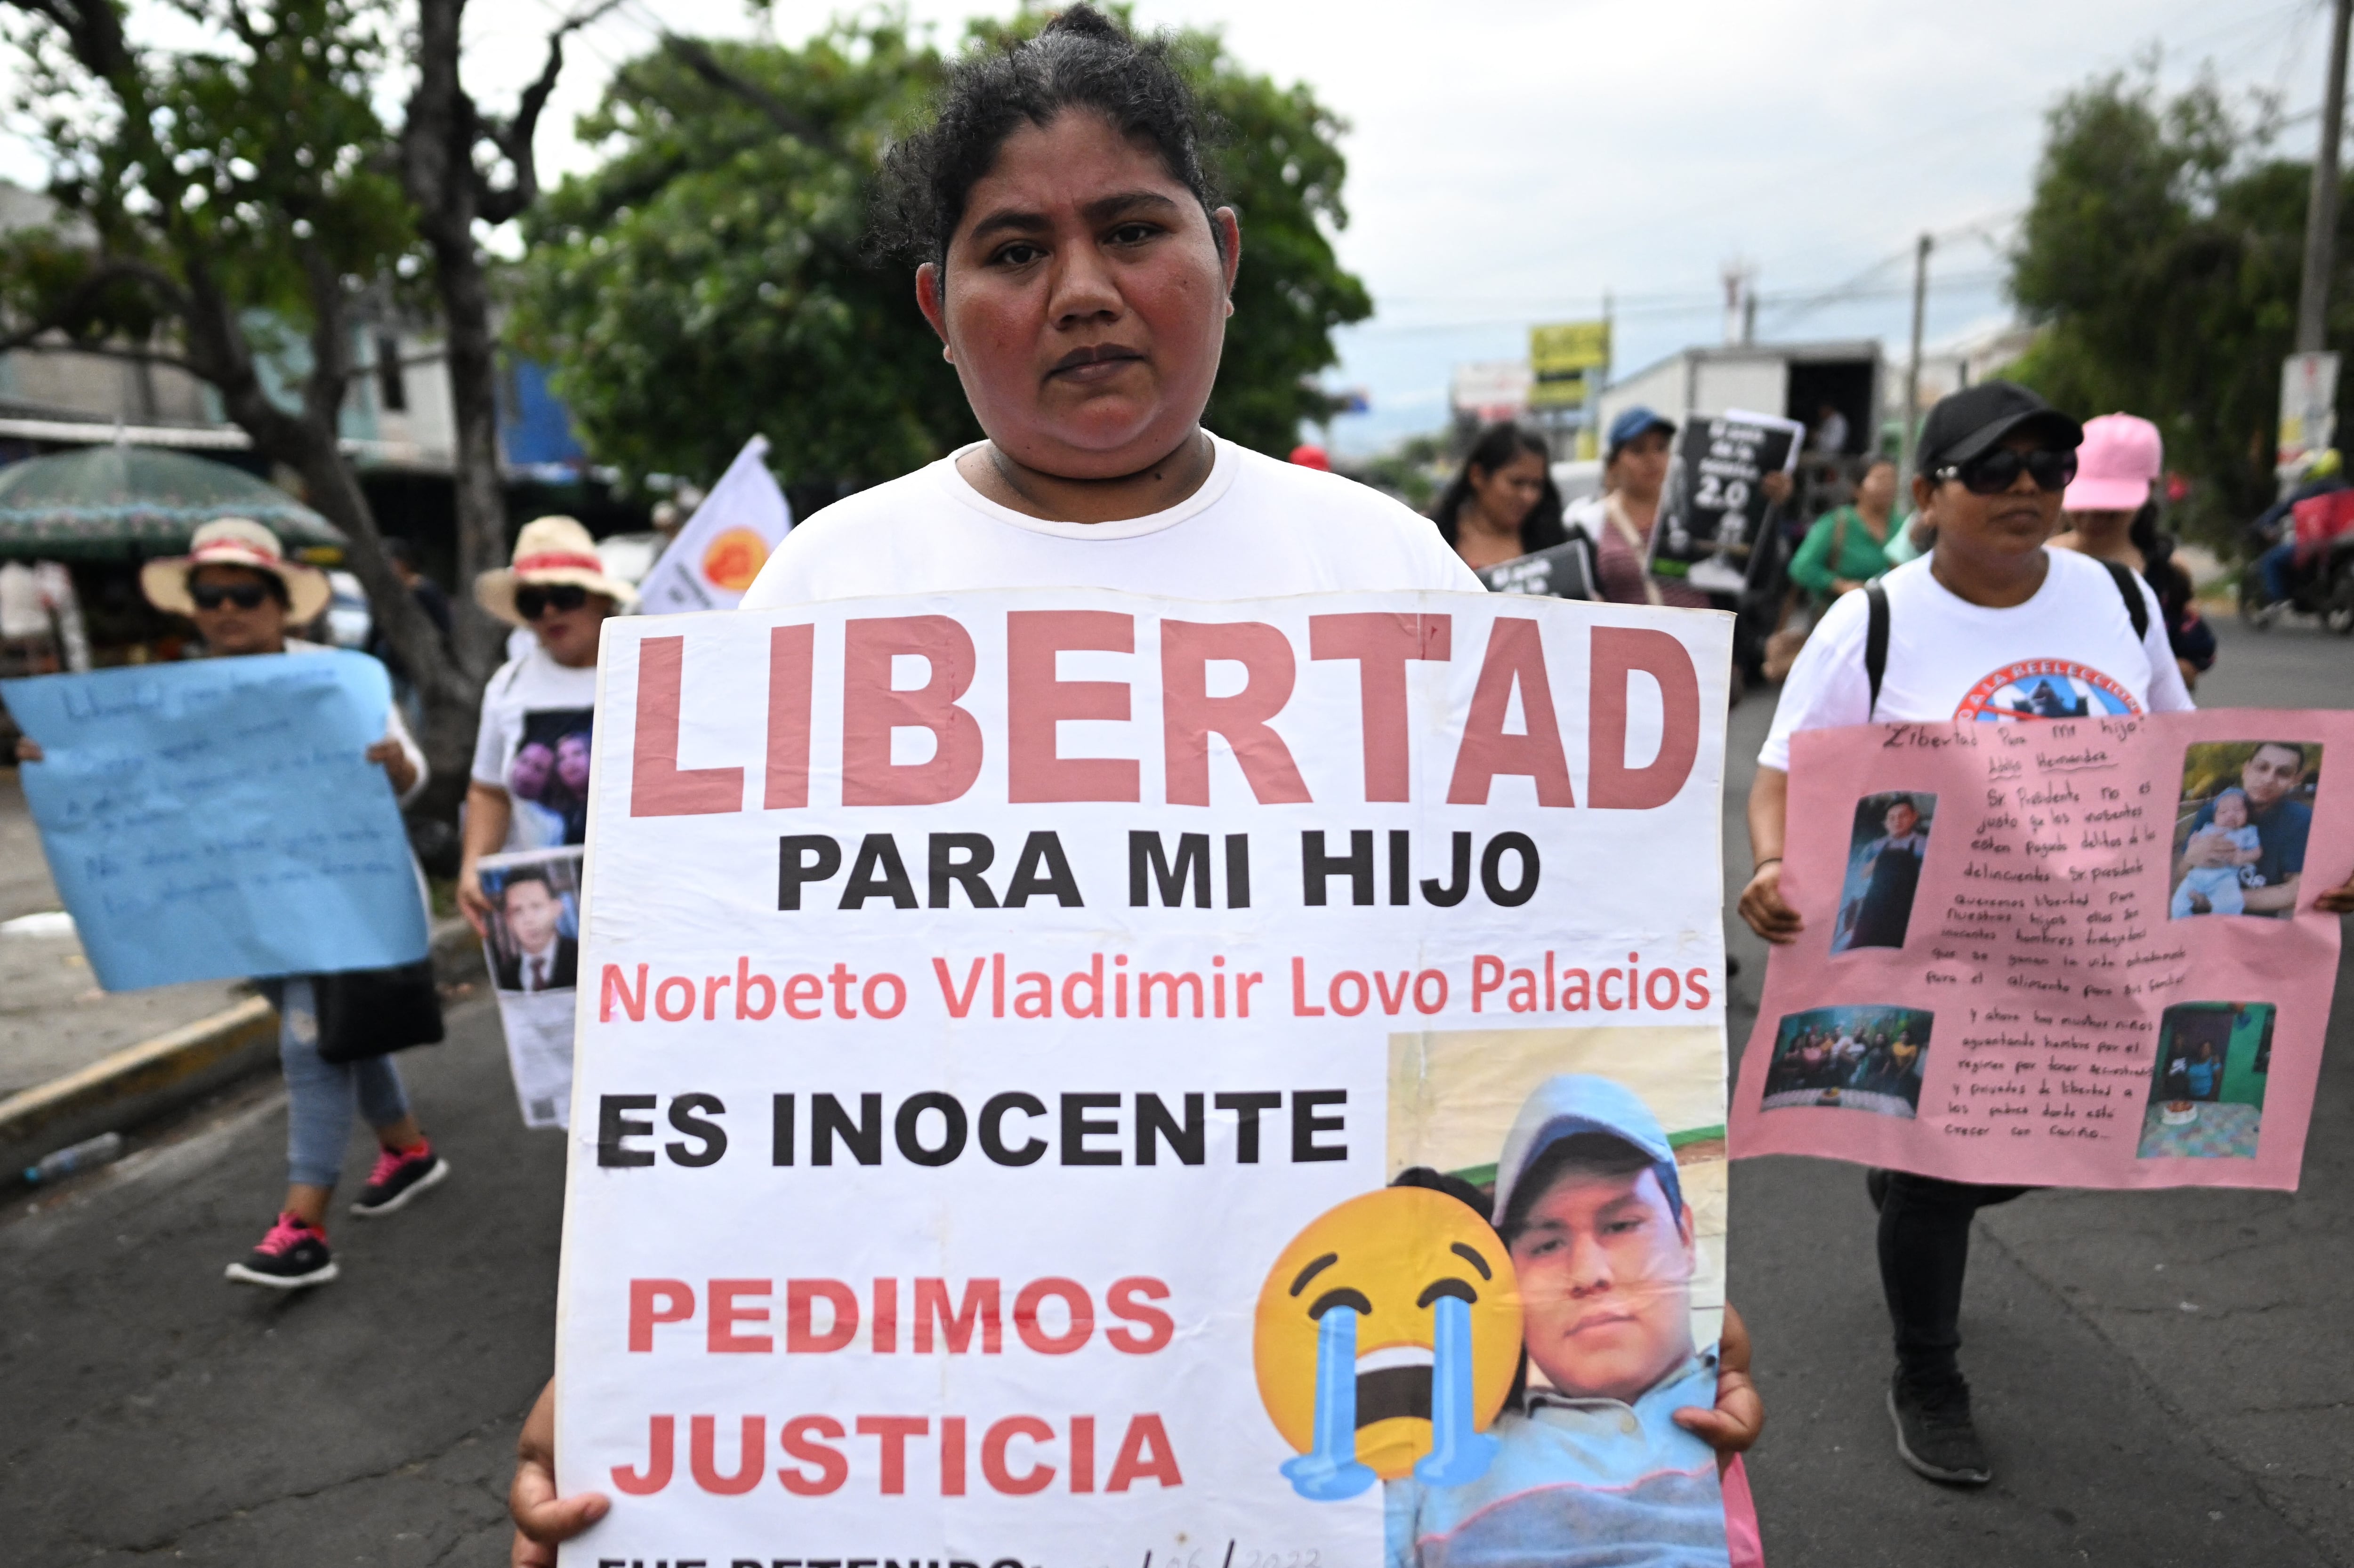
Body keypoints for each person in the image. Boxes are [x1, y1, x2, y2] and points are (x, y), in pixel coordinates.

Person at [508, 10, 1764, 1561]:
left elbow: (1536, 991)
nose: (1084, 290)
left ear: (1223, 254)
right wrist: (631, 1375)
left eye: (1133, 230)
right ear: (937, 303)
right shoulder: (832, 586)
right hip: (941, 1376)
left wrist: (1662, 1321)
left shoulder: (1380, 567)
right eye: (1016, 248)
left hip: (1302, 1402)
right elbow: (726, 1052)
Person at [1741, 381, 2354, 1487]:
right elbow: (1785, 767)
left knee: (2062, 1135)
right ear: (1930, 496)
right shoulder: (1871, 618)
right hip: (1938, 948)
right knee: (1939, 1165)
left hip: (2087, 941)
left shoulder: (2116, 599)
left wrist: (2308, 865)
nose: (2025, 487)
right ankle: (1928, 1374)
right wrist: (1774, 860)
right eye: (1991, 468)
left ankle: (1913, 1186)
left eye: (2046, 465)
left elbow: (2182, 747)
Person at [16, 519, 444, 1288]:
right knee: (338, 1028)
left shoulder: (337, 678)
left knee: (310, 1043)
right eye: (210, 597)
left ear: (283, 604)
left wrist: (392, 767)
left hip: (345, 899)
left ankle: (303, 1226)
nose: (226, 610)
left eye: (244, 594)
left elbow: (410, 777)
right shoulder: (170, 695)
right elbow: (129, 775)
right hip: (246, 905)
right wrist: (59, 764)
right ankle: (409, 1149)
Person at [1387, 1076, 1752, 1568]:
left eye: (1621, 1225)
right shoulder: (1420, 1468)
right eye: (1547, 1243)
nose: (1588, 1273)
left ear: (1686, 1236)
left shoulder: (1711, 1391)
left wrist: (1729, 1367)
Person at [456, 516, 637, 936]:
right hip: (547, 915)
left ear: (599, 599)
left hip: (641, 905)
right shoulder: (509, 685)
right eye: (533, 603)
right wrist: (472, 868)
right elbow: (488, 790)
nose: (550, 611)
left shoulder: (646, 668)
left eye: (564, 595)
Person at [2048, 413, 2211, 688]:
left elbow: (2192, 664)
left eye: (2110, 506)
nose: (2092, 513)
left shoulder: (2168, 574)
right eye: (2084, 500)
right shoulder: (2039, 563)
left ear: (2152, 488)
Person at [2175, 743, 2314, 918]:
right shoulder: (2215, 811)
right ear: (2246, 770)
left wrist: (2220, 899)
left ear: (2296, 779)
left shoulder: (2300, 820)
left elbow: (2295, 892)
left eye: (2283, 773)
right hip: (2199, 922)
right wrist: (2190, 859)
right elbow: (2182, 872)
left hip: (2255, 928)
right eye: (2261, 768)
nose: (2269, 779)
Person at [1430, 422, 1569, 570]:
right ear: (1477, 476)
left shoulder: (1555, 545)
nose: (1529, 496)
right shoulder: (1435, 542)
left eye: (1536, 485)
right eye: (1517, 483)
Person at [1787, 457, 1898, 605]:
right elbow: (1801, 567)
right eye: (1880, 479)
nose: (1888, 485)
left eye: (1892, 478)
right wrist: (1841, 585)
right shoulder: (1837, 523)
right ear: (1857, 488)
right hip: (1843, 612)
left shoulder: (1902, 526)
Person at [2248, 448, 2345, 613]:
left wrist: (2261, 524)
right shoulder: (2347, 490)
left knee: (2271, 560)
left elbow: (2282, 509)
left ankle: (2278, 599)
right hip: (2340, 547)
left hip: (2313, 546)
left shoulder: (2312, 490)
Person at [1844, 795, 1927, 950]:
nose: (1897, 821)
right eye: (1892, 817)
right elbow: (1862, 878)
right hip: (1873, 909)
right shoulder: (1877, 846)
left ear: (1914, 817)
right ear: (1886, 823)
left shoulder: (1925, 845)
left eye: (1903, 816)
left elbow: (1929, 883)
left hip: (1905, 912)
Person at [2171, 788, 2261, 917]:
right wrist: (2193, 844)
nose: (2230, 815)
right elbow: (2192, 852)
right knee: (2178, 904)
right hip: (2196, 876)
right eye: (2223, 812)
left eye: (2238, 810)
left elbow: (2257, 852)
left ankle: (2218, 928)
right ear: (2215, 817)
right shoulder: (2209, 828)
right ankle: (2182, 928)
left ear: (2248, 814)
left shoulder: (2248, 832)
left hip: (2224, 878)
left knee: (2231, 904)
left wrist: (2244, 857)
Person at [492, 869, 578, 992]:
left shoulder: (581, 958)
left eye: (536, 906)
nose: (529, 920)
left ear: (557, 908)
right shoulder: (505, 976)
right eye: (517, 911)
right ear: (508, 920)